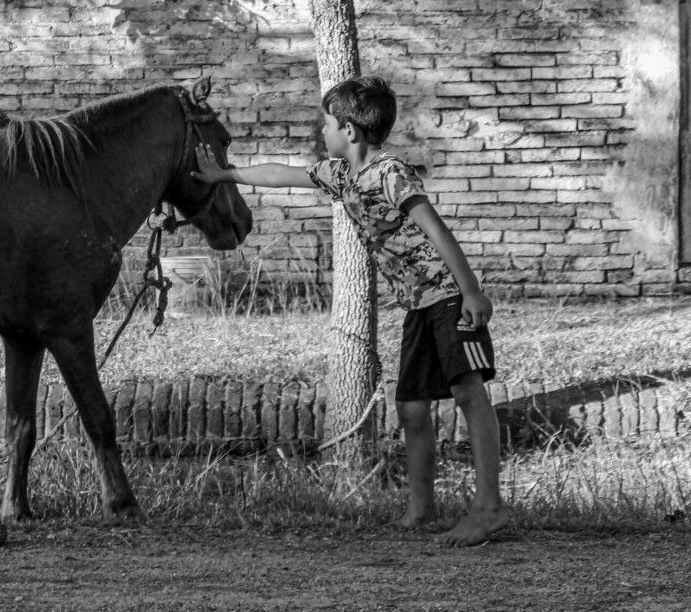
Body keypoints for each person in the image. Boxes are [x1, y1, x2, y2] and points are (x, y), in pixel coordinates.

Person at [192, 75, 510, 547]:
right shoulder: (342, 176)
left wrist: (472, 291)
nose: (322, 132)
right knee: (410, 406)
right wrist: (226, 175)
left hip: (448, 295)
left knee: (469, 395)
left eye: (326, 124)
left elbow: (438, 231)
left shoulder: (391, 173)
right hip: (418, 304)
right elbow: (283, 174)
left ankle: (488, 507)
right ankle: (421, 508)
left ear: (350, 131)